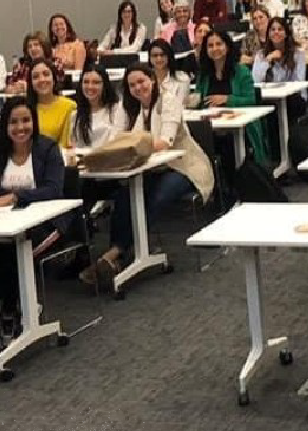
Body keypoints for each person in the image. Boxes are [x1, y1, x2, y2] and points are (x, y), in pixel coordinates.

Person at [90, 65, 215, 289]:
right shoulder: (128, 107)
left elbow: (164, 142)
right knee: (124, 196)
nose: (138, 88)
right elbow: (118, 139)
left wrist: (133, 146)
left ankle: (116, 253)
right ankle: (119, 256)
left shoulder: (169, 101)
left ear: (152, 80)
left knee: (158, 197)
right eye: (132, 85)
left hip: (182, 165)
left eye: (142, 81)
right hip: (148, 168)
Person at [0, 99, 70, 338]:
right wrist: (1, 198)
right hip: (2, 226)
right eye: (13, 122)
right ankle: (22, 304)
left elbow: (54, 189)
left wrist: (15, 197)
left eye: (26, 120)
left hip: (46, 224)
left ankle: (9, 311)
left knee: (15, 258)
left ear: (34, 122)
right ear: (5, 125)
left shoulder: (48, 149)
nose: (20, 127)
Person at [194, 29, 267, 163]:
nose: (215, 48)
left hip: (241, 128)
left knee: (226, 142)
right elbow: (199, 101)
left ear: (227, 46)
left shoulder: (241, 71)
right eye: (210, 45)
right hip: (211, 126)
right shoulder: (204, 75)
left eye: (219, 44)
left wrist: (227, 99)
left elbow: (251, 100)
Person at [252, 15, 308, 112]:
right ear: (268, 34)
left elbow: (298, 82)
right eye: (272, 30)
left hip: (293, 97)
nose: (276, 32)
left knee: (279, 108)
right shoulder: (261, 55)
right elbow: (256, 81)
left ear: (286, 33)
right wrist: (268, 60)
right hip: (269, 97)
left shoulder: (298, 54)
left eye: (280, 29)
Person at [25, 58, 76, 150]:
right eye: (35, 77)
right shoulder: (24, 109)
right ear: (31, 83)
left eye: (46, 74)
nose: (41, 79)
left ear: (54, 78)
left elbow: (66, 145)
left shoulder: (69, 106)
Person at [146, 38, 193, 110]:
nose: (159, 58)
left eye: (162, 55)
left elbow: (180, 104)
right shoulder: (144, 79)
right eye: (155, 55)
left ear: (169, 56)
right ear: (149, 58)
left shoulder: (182, 78)